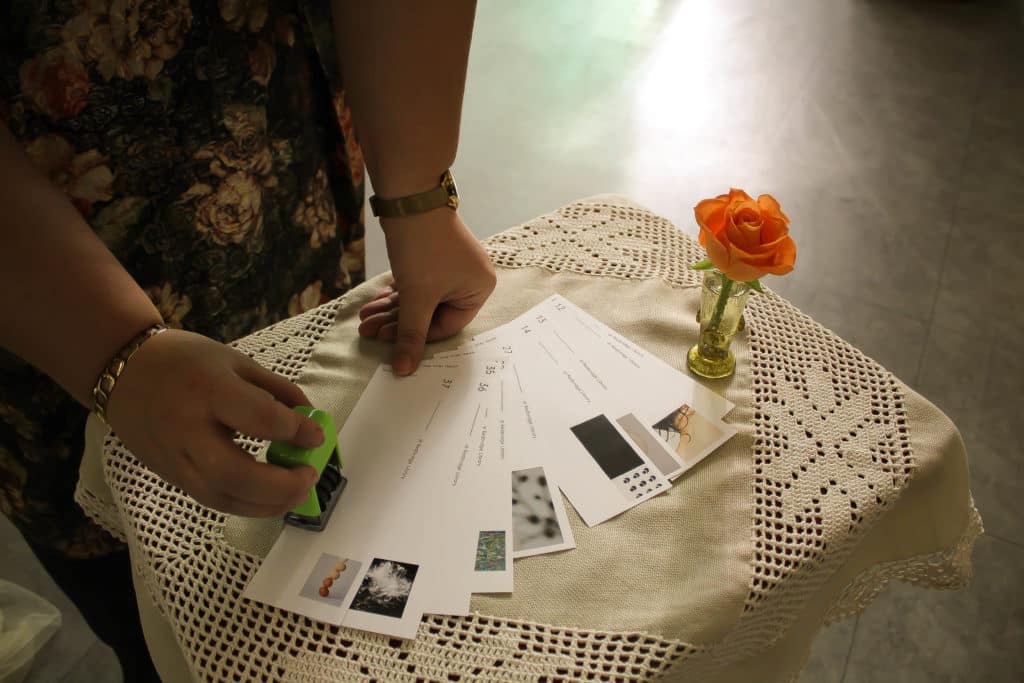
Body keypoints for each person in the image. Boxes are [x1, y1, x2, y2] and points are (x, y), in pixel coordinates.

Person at [0, 1, 494, 679]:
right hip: (39, 286)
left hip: (273, 144)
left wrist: (419, 198)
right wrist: (113, 352)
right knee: (151, 621)